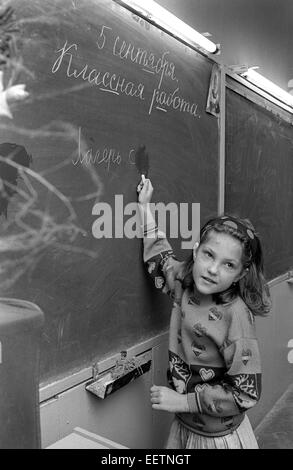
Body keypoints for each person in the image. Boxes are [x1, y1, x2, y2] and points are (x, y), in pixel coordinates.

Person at [137, 178, 271, 449]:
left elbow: (246, 392)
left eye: (228, 264)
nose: (212, 269)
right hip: (185, 426)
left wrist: (183, 401)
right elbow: (160, 258)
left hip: (218, 437)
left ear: (240, 274)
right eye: (209, 255)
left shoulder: (236, 316)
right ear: (196, 250)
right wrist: (144, 207)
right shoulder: (184, 281)